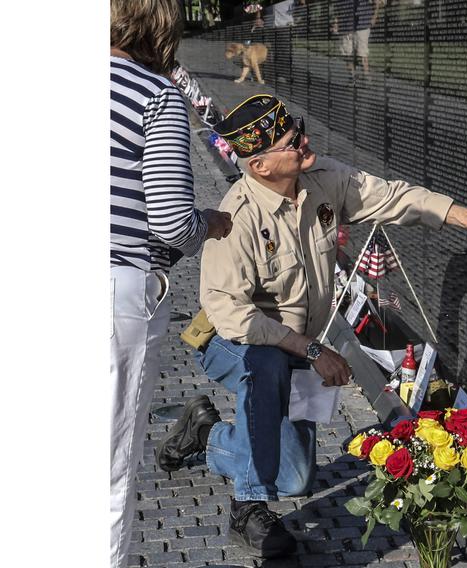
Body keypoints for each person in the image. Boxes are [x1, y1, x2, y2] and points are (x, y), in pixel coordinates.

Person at [156, 94, 467, 557]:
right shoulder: (236, 219)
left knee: (297, 476)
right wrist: (311, 351)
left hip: (301, 344)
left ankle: (205, 433)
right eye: (291, 141)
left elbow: (391, 196)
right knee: (262, 375)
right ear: (261, 166)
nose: (305, 141)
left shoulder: (322, 178)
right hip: (233, 341)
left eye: (299, 129)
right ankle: (248, 507)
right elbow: (232, 315)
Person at [110, 1, 234, 568]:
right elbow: (170, 220)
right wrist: (209, 222)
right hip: (118, 289)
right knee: (108, 470)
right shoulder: (154, 94)